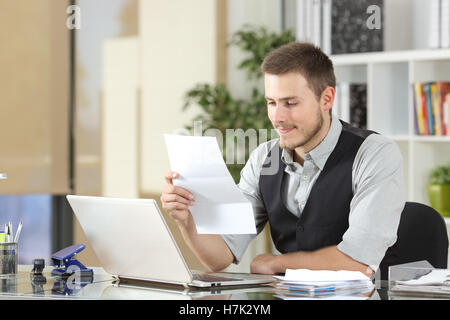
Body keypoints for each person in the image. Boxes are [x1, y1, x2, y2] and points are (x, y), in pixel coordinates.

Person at [160, 42, 406, 278]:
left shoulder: (374, 153)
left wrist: (277, 263)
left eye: (290, 103)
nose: (277, 117)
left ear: (326, 99)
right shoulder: (263, 159)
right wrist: (187, 221)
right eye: (271, 103)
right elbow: (220, 257)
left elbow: (357, 263)